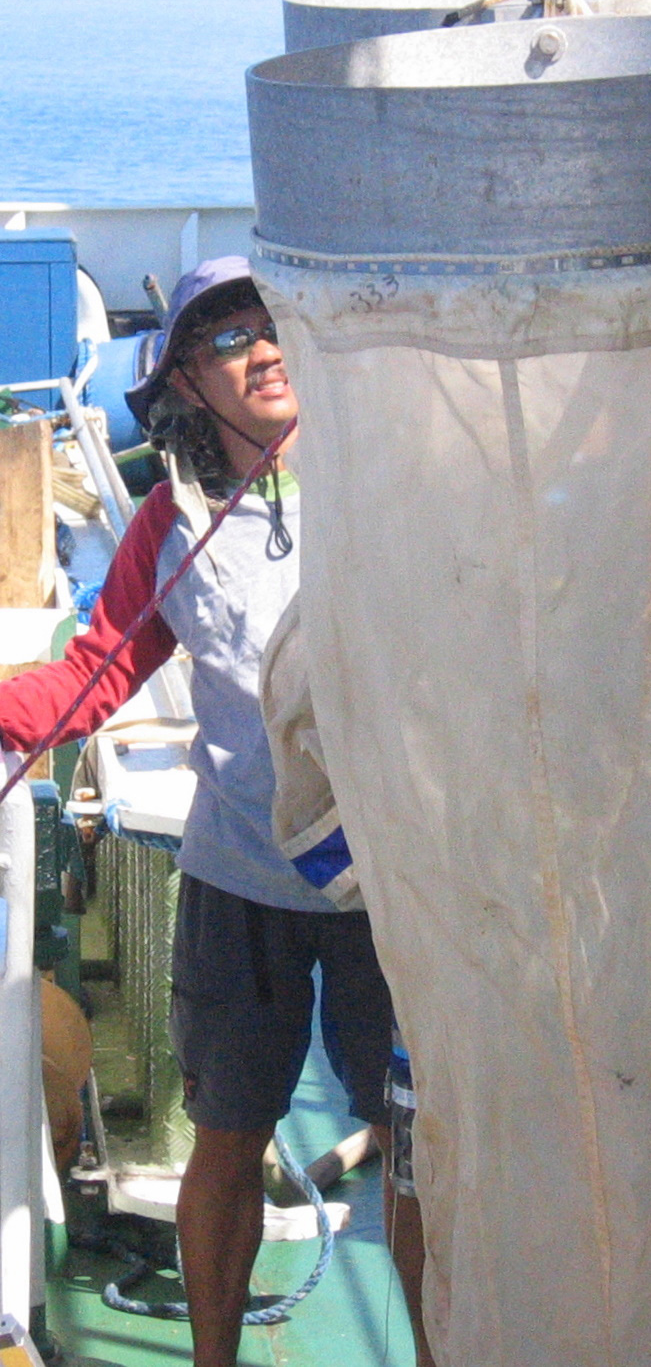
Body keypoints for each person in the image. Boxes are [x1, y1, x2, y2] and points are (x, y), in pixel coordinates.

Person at [0, 258, 430, 1367]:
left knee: (430, 1152)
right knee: (227, 1140)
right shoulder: (168, 520)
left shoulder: (394, 484)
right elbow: (95, 676)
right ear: (188, 379)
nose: (266, 347)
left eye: (276, 322)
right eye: (232, 336)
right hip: (242, 881)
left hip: (399, 888)